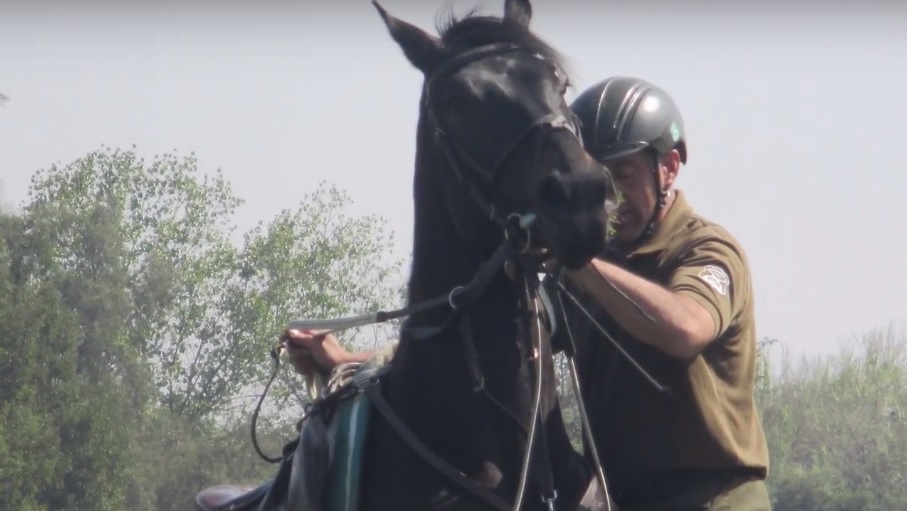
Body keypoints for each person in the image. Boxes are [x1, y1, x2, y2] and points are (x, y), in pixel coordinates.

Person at [283, 76, 771, 511]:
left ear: (669, 167)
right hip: (620, 497)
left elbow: (684, 328)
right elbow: (503, 348)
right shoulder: (591, 267)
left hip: (715, 499)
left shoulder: (706, 250)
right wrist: (350, 358)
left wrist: (579, 260)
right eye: (599, 179)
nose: (611, 200)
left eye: (623, 176)